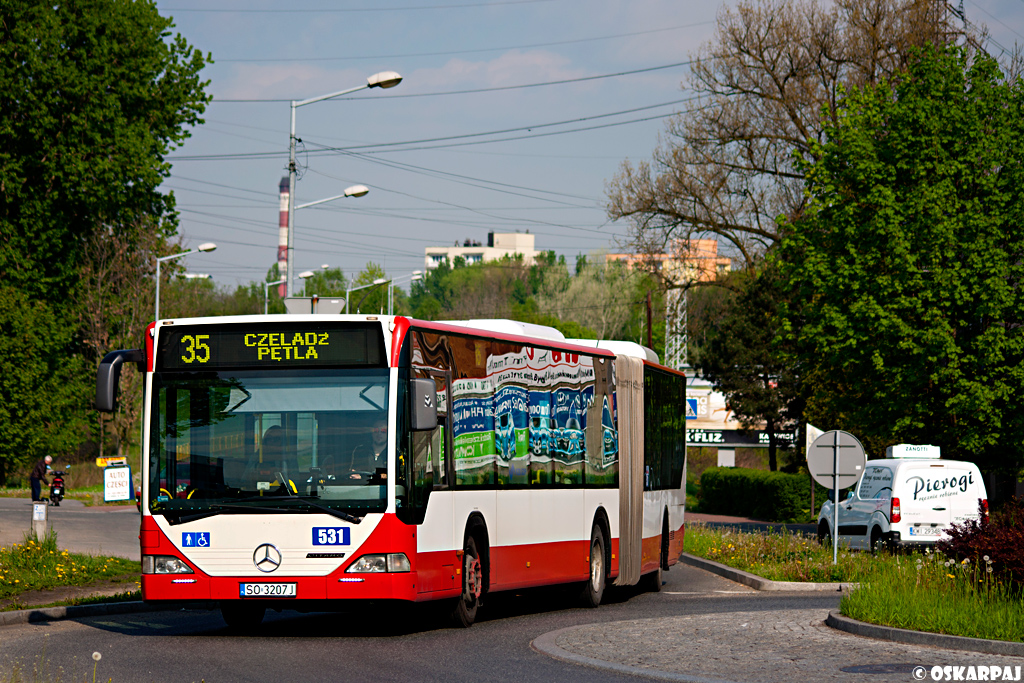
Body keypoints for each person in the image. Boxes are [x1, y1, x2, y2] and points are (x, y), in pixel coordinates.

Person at [349, 416, 387, 481]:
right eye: (376, 430)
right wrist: (355, 475)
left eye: (383, 431)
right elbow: (354, 471)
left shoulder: (395, 453)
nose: (379, 434)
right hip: (363, 488)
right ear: (371, 433)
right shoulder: (360, 451)